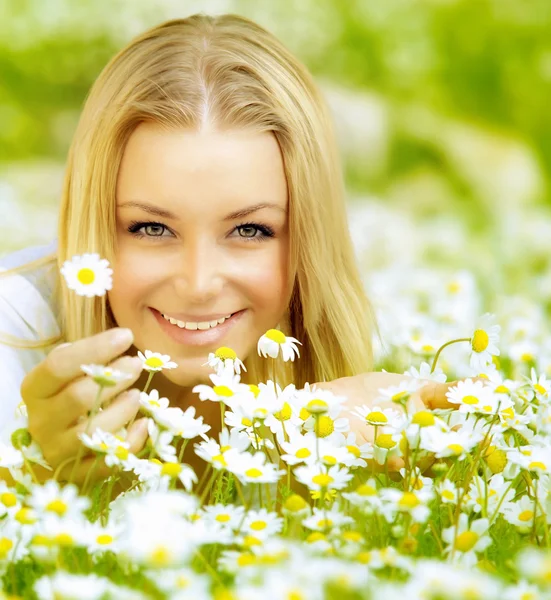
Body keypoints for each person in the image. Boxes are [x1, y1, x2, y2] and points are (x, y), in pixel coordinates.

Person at [0, 13, 452, 487]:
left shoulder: (355, 370)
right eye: (152, 228)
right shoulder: (13, 336)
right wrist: (33, 474)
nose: (198, 285)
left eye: (250, 231)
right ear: (94, 222)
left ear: (307, 239)